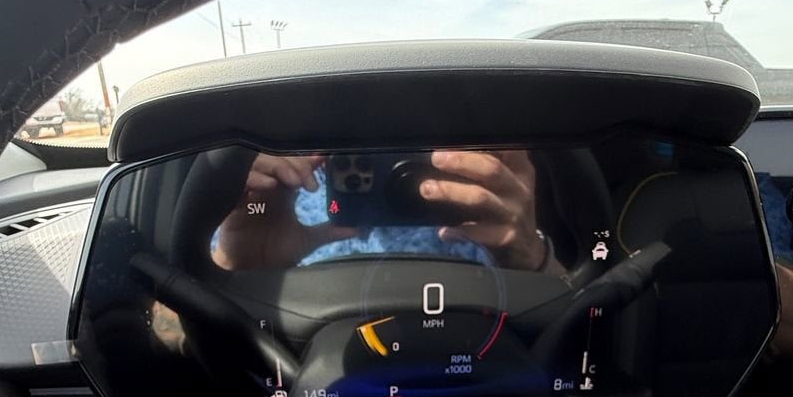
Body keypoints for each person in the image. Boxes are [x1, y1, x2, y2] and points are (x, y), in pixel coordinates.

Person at [211, 149, 562, 274]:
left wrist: (529, 256)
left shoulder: (480, 199)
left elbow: (577, 334)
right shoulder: (277, 197)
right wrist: (239, 266)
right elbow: (180, 349)